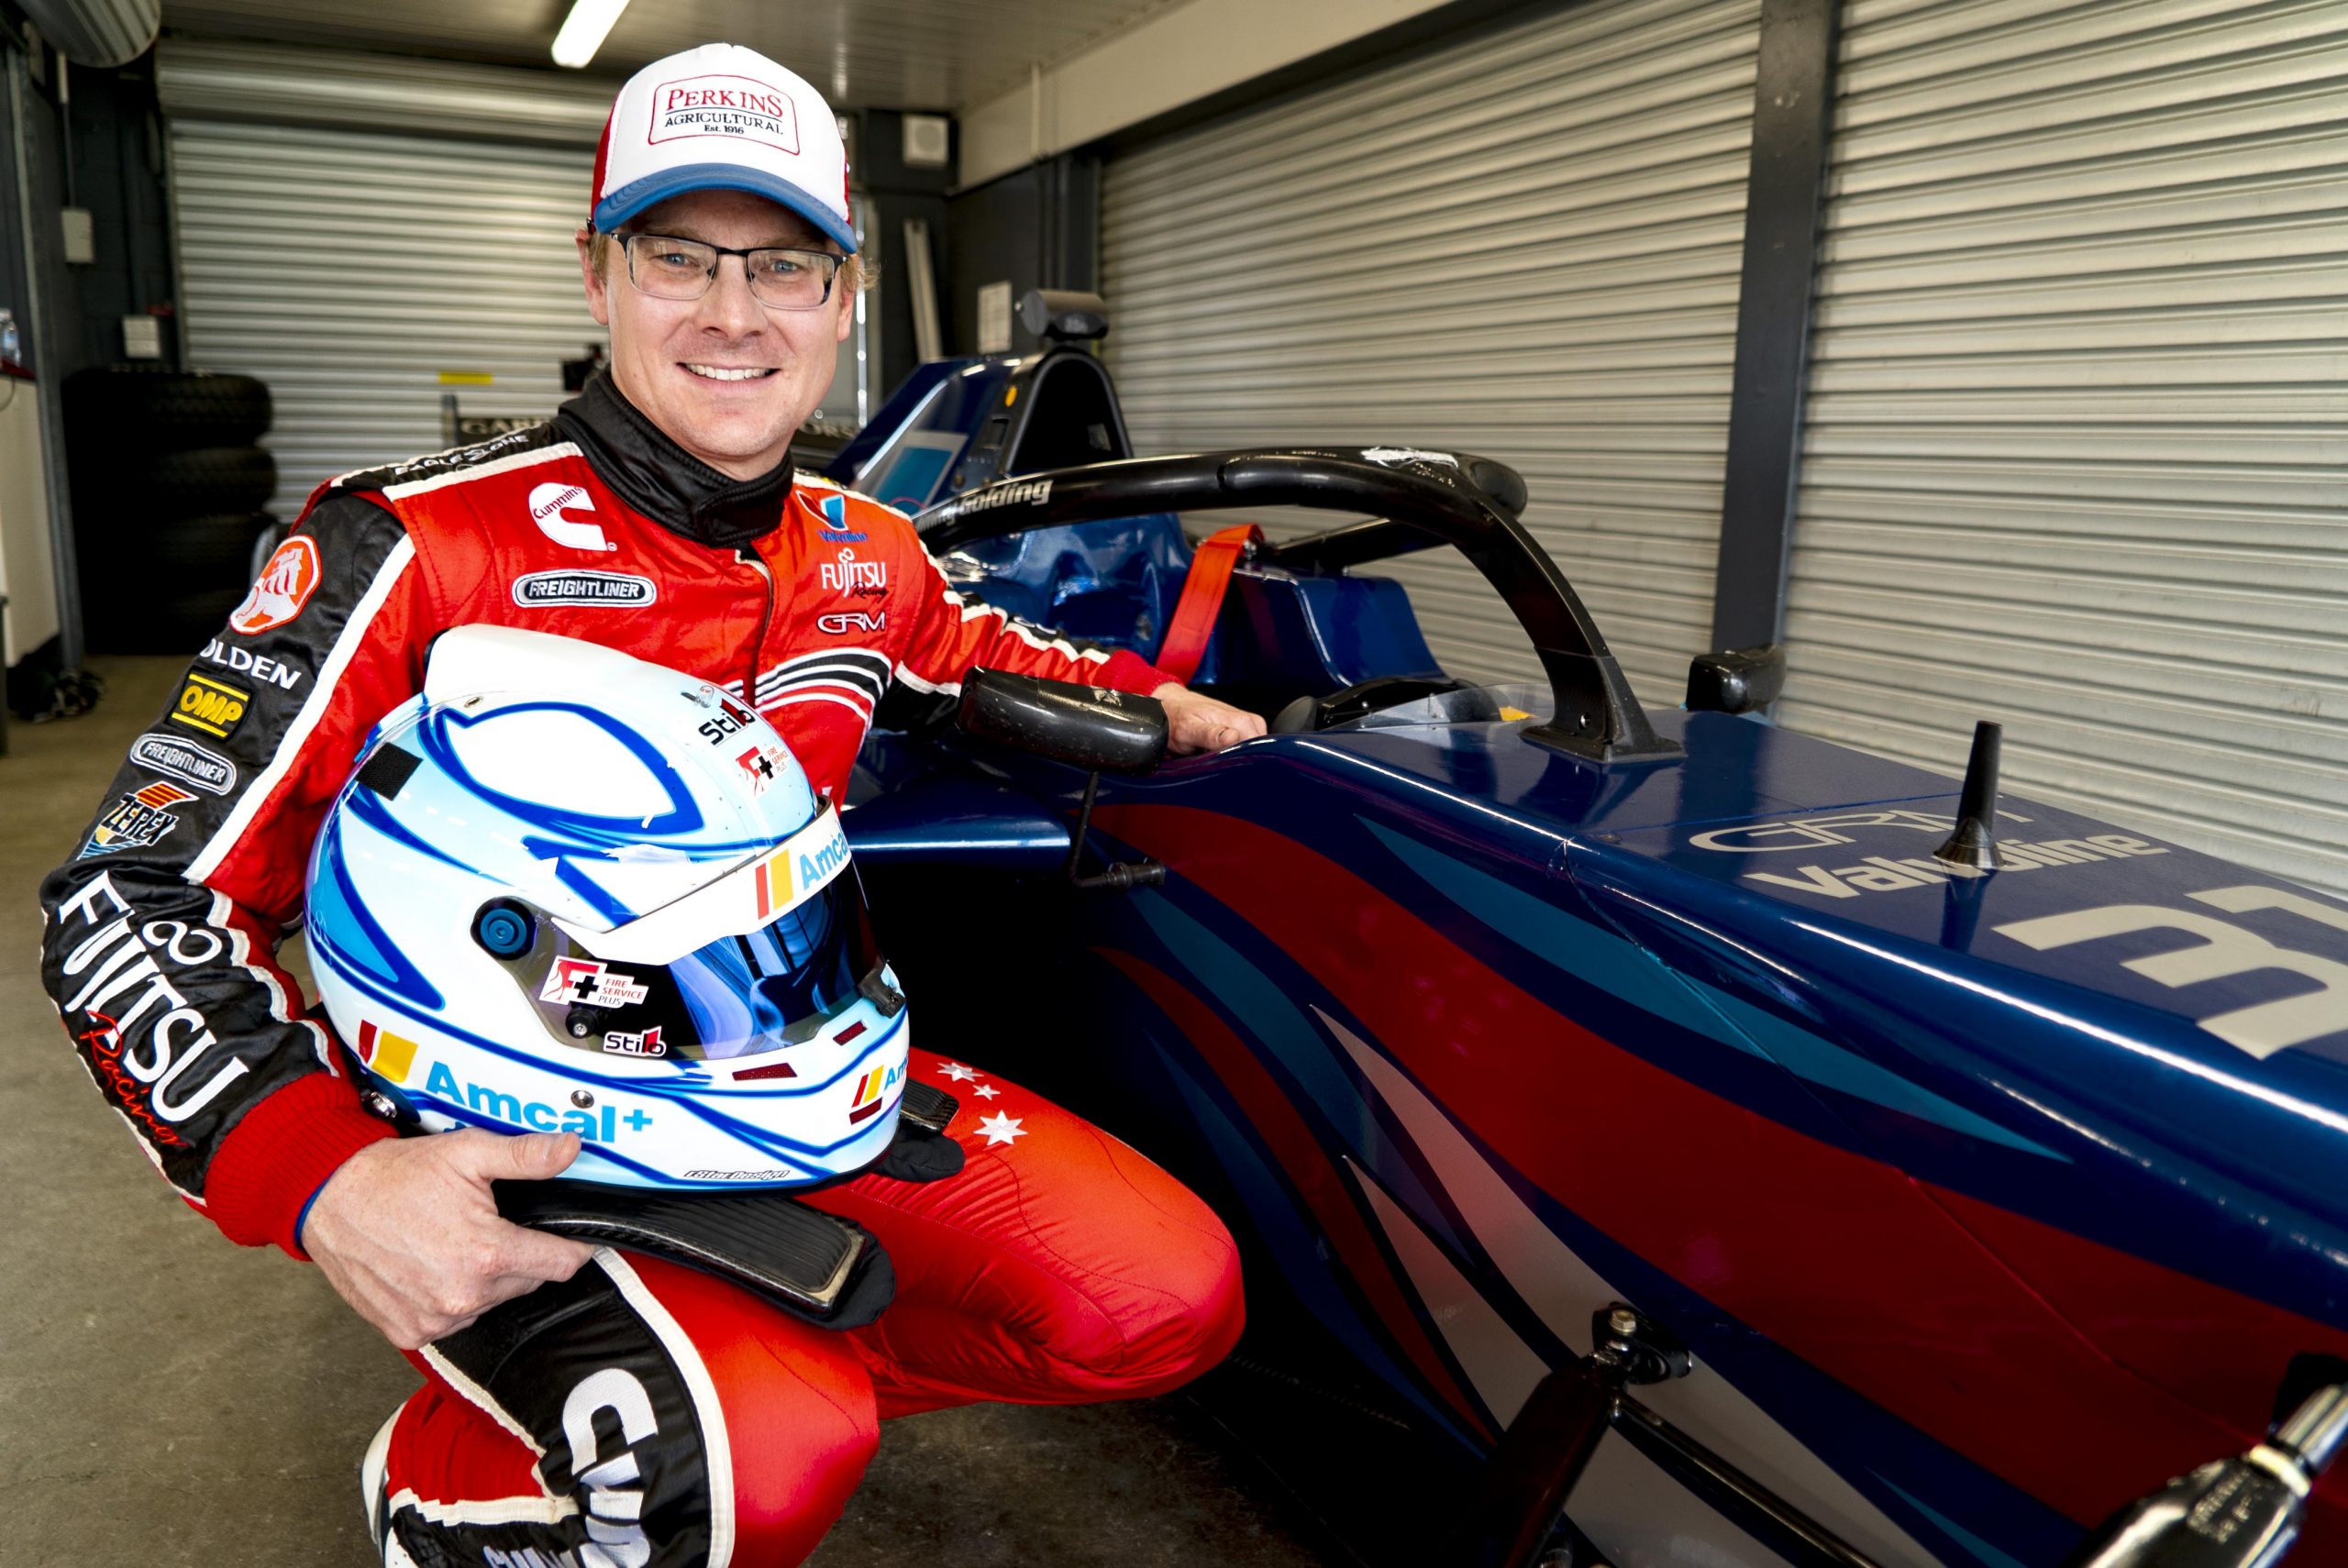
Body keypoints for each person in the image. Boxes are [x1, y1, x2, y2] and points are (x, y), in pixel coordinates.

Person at [38, 41, 1260, 1567]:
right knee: (742, 1468)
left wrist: (1164, 710)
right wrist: (328, 1176)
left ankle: (741, 1374)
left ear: (847, 289)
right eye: (680, 255)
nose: (734, 314)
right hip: (520, 1129)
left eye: (785, 265)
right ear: (600, 272)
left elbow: (997, 653)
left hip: (780, 1063)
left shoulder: (869, 549)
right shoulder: (409, 547)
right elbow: (126, 898)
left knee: (1164, 1300)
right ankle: (520, 1463)